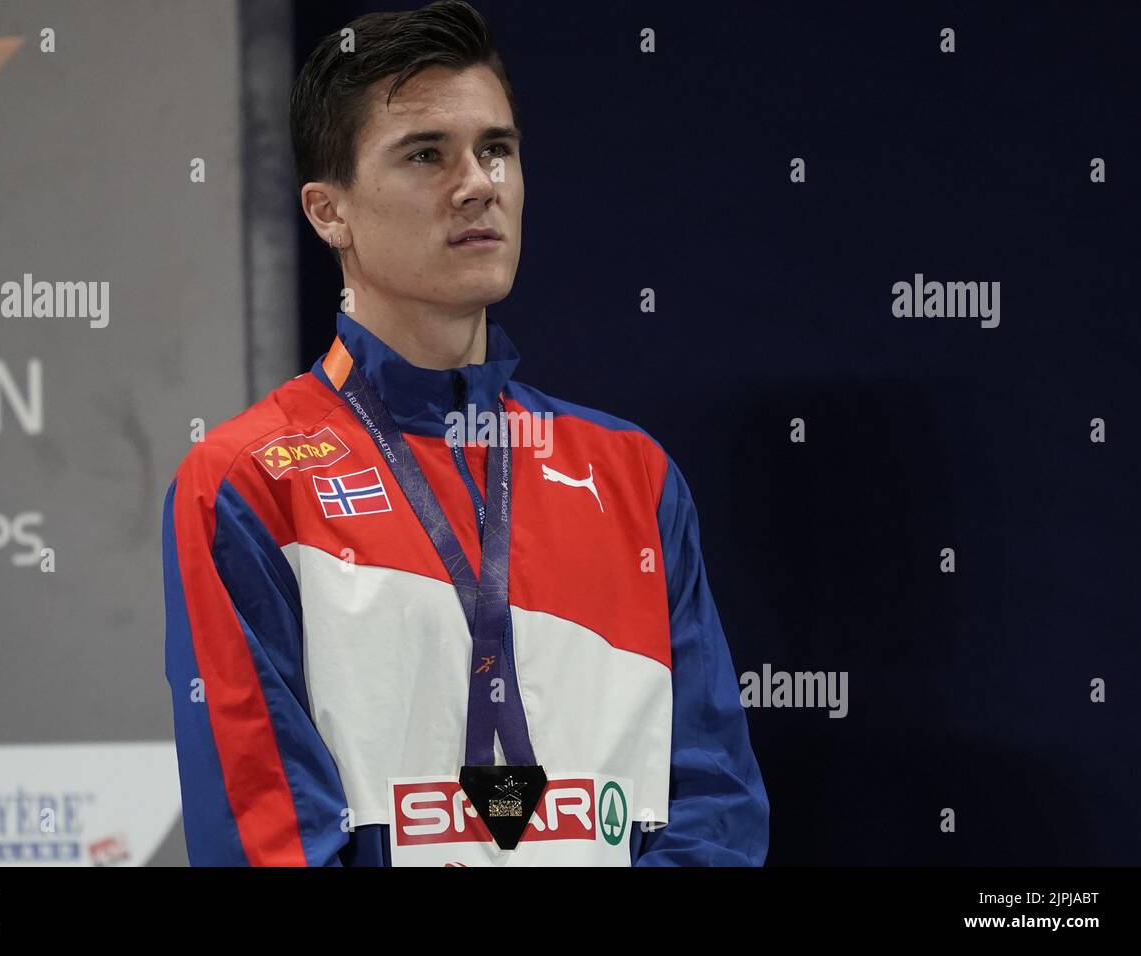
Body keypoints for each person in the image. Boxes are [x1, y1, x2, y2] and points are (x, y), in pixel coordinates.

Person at [161, 0, 769, 866]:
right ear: (328, 212)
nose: (479, 182)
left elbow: (715, 810)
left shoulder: (633, 474)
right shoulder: (247, 483)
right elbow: (270, 841)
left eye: (497, 149)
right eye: (425, 154)